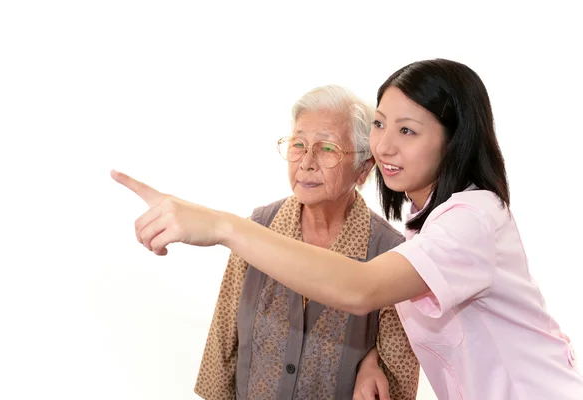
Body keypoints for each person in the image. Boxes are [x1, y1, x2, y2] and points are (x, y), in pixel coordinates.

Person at [110, 58, 583, 400]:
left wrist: (219, 225)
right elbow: (224, 349)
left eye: (408, 130)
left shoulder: (469, 220)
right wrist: (368, 356)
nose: (384, 147)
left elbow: (361, 289)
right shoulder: (427, 234)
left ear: (454, 141)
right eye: (380, 125)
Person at [192, 85, 419, 399]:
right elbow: (221, 353)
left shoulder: (390, 257)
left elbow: (399, 382)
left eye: (327, 148)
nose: (306, 162)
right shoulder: (257, 229)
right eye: (298, 144)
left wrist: (373, 359)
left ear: (364, 168)